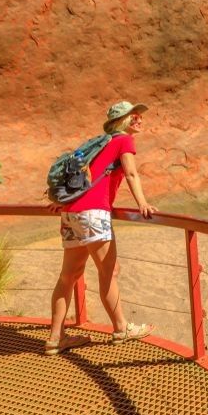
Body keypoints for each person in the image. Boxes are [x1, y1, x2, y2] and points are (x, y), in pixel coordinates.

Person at [45, 100, 159, 355]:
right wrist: (142, 203)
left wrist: (64, 202)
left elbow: (84, 178)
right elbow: (131, 174)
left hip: (71, 213)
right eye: (134, 116)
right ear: (122, 121)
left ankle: (55, 338)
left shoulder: (99, 144)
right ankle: (121, 328)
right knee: (110, 272)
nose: (140, 119)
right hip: (93, 214)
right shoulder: (123, 141)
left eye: (140, 116)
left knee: (68, 276)